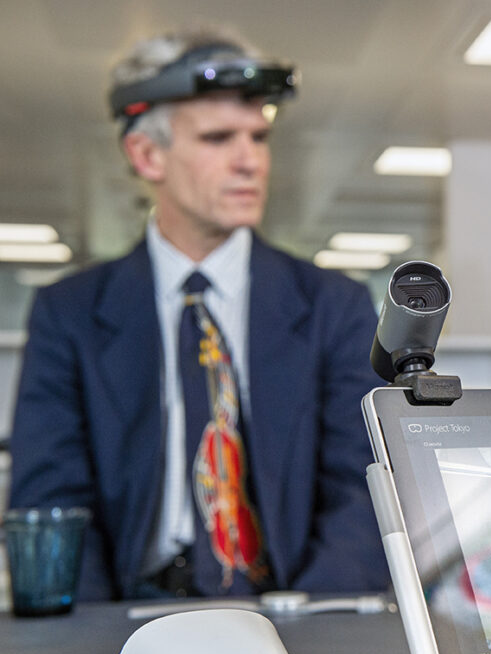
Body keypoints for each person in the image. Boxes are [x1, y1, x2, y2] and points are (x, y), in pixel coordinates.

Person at [8, 26, 387, 600]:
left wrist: (309, 625)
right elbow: (52, 498)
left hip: (295, 609)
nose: (250, 161)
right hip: (130, 614)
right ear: (146, 154)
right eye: (217, 138)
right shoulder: (70, 313)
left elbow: (363, 491)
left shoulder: (333, 306)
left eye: (258, 137)